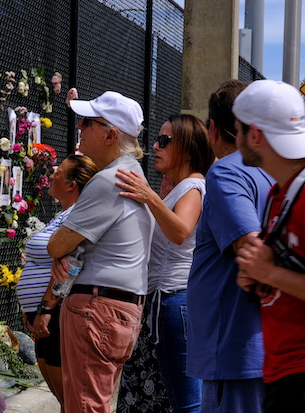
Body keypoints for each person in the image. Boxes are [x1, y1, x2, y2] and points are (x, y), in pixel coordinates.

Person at [43, 91, 154, 413]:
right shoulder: (130, 173)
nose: (79, 126)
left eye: (88, 122)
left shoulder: (109, 180)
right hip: (114, 307)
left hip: (97, 307)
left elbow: (57, 244)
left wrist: (62, 256)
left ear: (110, 134)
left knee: (85, 407)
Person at [116, 114, 215, 413]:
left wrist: (150, 198)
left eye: (164, 141)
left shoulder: (194, 186)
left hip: (172, 302)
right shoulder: (181, 188)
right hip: (165, 303)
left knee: (185, 403)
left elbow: (180, 232)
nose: (155, 147)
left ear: (186, 149)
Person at [186, 79, 274, 413]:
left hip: (238, 352)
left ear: (213, 129)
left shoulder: (228, 172)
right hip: (262, 349)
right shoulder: (277, 173)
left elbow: (250, 247)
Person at [232, 80, 305, 413]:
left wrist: (269, 272)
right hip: (282, 370)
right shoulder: (280, 192)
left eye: (238, 130)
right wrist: (261, 278)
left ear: (255, 135)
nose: (235, 140)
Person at [19, 154, 99, 409]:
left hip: (56, 314)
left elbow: (70, 268)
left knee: (72, 399)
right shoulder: (62, 215)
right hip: (42, 314)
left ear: (71, 185)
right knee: (63, 397)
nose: (52, 174)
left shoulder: (76, 216)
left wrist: (45, 309)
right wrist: (30, 309)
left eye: (59, 172)